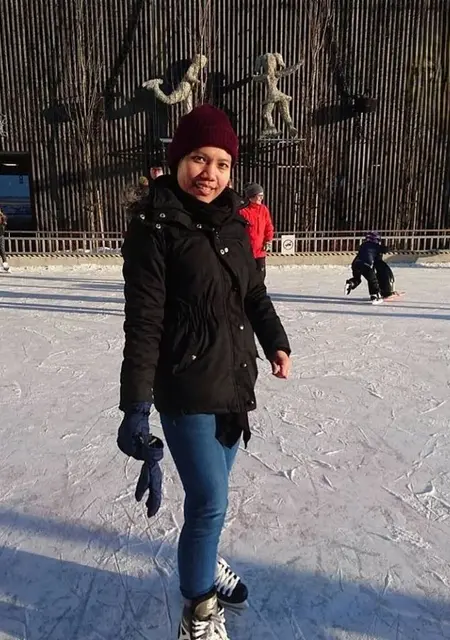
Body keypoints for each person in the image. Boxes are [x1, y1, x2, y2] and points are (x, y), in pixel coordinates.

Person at [117, 104, 291, 640]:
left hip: (234, 381)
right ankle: (198, 609)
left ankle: (203, 557)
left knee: (211, 501)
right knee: (210, 502)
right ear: (177, 160)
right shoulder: (154, 229)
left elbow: (254, 293)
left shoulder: (235, 223)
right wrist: (136, 405)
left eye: (222, 163)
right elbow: (144, 322)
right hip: (186, 386)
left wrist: (276, 341)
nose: (209, 173)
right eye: (198, 158)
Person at [239, 183, 274, 281]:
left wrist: (268, 240)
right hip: (247, 251)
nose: (261, 198)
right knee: (248, 277)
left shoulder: (264, 210)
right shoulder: (243, 211)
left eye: (262, 195)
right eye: (259, 195)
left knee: (261, 276)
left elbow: (268, 226)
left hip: (260, 250)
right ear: (251, 197)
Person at [345, 231, 390, 303]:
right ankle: (375, 296)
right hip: (365, 265)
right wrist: (388, 248)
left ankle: (351, 283)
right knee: (373, 280)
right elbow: (384, 249)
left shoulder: (363, 245)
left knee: (357, 279)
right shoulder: (374, 246)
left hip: (355, 264)